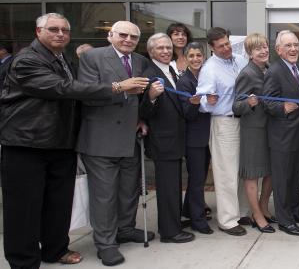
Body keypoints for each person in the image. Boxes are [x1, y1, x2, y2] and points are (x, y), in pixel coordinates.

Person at [0, 13, 146, 269]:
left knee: (58, 203)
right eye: (53, 29)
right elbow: (64, 89)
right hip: (26, 143)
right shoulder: (27, 60)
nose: (60, 34)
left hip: (59, 141)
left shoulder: (61, 59)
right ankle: (23, 261)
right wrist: (117, 87)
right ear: (38, 32)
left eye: (64, 30)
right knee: (24, 208)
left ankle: (55, 250)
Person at [77, 20, 154, 266]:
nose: (128, 40)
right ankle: (106, 244)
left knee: (127, 191)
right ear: (110, 35)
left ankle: (125, 228)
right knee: (104, 196)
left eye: (133, 37)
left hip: (130, 139)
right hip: (101, 139)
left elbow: (136, 100)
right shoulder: (93, 58)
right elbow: (86, 94)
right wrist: (121, 87)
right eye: (123, 35)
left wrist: (141, 118)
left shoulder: (140, 61)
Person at [139, 33, 195, 244]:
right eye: (160, 48)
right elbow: (143, 110)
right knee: (168, 188)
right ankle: (170, 232)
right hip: (163, 140)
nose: (165, 51)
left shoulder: (170, 69)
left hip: (175, 138)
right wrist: (151, 97)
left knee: (174, 185)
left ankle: (173, 223)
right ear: (151, 51)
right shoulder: (149, 73)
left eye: (167, 48)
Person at [196, 27, 247, 236]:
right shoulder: (209, 69)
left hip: (245, 121)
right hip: (224, 122)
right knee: (227, 172)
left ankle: (242, 211)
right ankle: (227, 220)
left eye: (227, 44)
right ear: (211, 47)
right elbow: (201, 102)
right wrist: (208, 101)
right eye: (220, 46)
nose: (226, 48)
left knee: (244, 170)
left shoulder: (240, 60)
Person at [263, 30, 299, 236]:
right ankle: (285, 220)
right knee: (282, 180)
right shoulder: (274, 71)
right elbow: (267, 101)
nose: (293, 49)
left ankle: (294, 212)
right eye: (288, 46)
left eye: (296, 45)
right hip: (282, 136)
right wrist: (283, 108)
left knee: (296, 177)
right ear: (278, 50)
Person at [233, 33, 275, 234]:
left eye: (265, 46)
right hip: (253, 131)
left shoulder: (269, 69)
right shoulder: (247, 73)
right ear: (250, 53)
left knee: (270, 172)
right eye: (258, 48)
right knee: (252, 175)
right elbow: (236, 106)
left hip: (270, 129)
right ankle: (256, 215)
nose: (264, 51)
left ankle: (264, 207)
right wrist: (248, 103)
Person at [177, 42, 214, 235]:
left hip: (207, 134)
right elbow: (187, 113)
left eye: (198, 55)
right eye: (191, 56)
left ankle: (187, 211)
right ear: (185, 58)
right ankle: (198, 220)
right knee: (198, 179)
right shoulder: (184, 81)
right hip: (193, 138)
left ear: (204, 57)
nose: (195, 59)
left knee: (197, 177)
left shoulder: (206, 76)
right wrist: (194, 103)